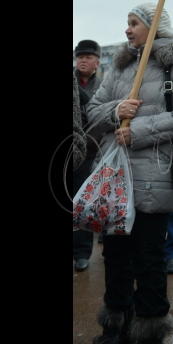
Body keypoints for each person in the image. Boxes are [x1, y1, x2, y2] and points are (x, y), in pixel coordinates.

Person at [87, 3, 173, 344]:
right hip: (116, 182)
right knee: (115, 258)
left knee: (149, 260)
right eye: (127, 22)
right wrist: (115, 110)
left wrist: (137, 130)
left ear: (153, 28)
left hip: (153, 179)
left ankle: (150, 331)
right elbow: (93, 112)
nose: (127, 29)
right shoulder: (121, 67)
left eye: (134, 23)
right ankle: (115, 327)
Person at [73, 39, 103, 272]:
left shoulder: (103, 87)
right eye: (79, 56)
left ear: (97, 62)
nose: (82, 60)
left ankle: (82, 253)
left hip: (91, 151)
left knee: (82, 202)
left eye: (88, 57)